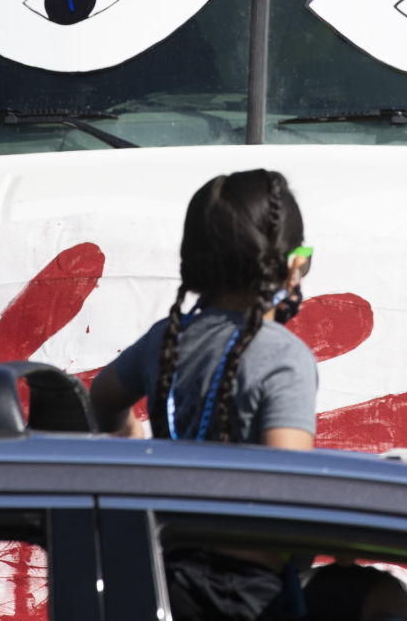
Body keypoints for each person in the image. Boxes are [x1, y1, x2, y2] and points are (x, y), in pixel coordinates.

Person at [90, 168, 319, 621]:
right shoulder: (284, 357)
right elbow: (289, 494)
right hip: (252, 598)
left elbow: (102, 396)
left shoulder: (163, 341)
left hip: (168, 579)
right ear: (294, 264)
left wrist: (132, 441)